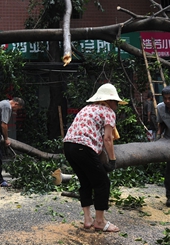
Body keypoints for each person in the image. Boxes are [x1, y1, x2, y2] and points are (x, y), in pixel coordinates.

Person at [63, 83, 127, 233]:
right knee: (102, 183)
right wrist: (112, 160)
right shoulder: (108, 112)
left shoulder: (86, 109)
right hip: (84, 148)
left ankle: (87, 219)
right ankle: (100, 221)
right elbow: (108, 139)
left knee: (85, 182)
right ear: (110, 101)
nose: (117, 105)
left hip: (68, 146)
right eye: (116, 102)